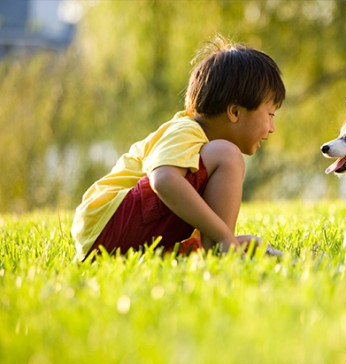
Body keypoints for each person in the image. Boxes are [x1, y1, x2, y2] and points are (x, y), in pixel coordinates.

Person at [71, 35, 286, 261]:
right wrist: (224, 236)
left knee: (221, 161)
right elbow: (163, 179)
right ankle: (222, 249)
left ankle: (216, 250)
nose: (272, 128)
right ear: (234, 112)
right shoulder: (187, 130)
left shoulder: (201, 153)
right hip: (108, 225)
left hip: (111, 240)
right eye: (270, 115)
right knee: (228, 155)